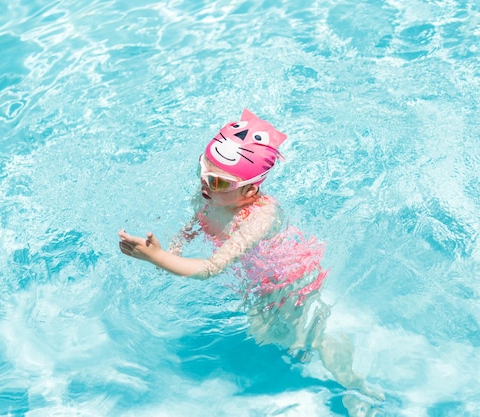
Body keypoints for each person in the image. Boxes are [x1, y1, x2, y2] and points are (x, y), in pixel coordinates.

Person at [118, 109, 383, 413]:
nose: (204, 185)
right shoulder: (210, 194)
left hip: (288, 284)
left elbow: (210, 268)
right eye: (201, 171)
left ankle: (356, 387)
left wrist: (159, 258)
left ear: (250, 190)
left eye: (216, 182)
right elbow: (196, 223)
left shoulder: (259, 217)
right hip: (258, 281)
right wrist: (170, 251)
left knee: (305, 339)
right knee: (271, 338)